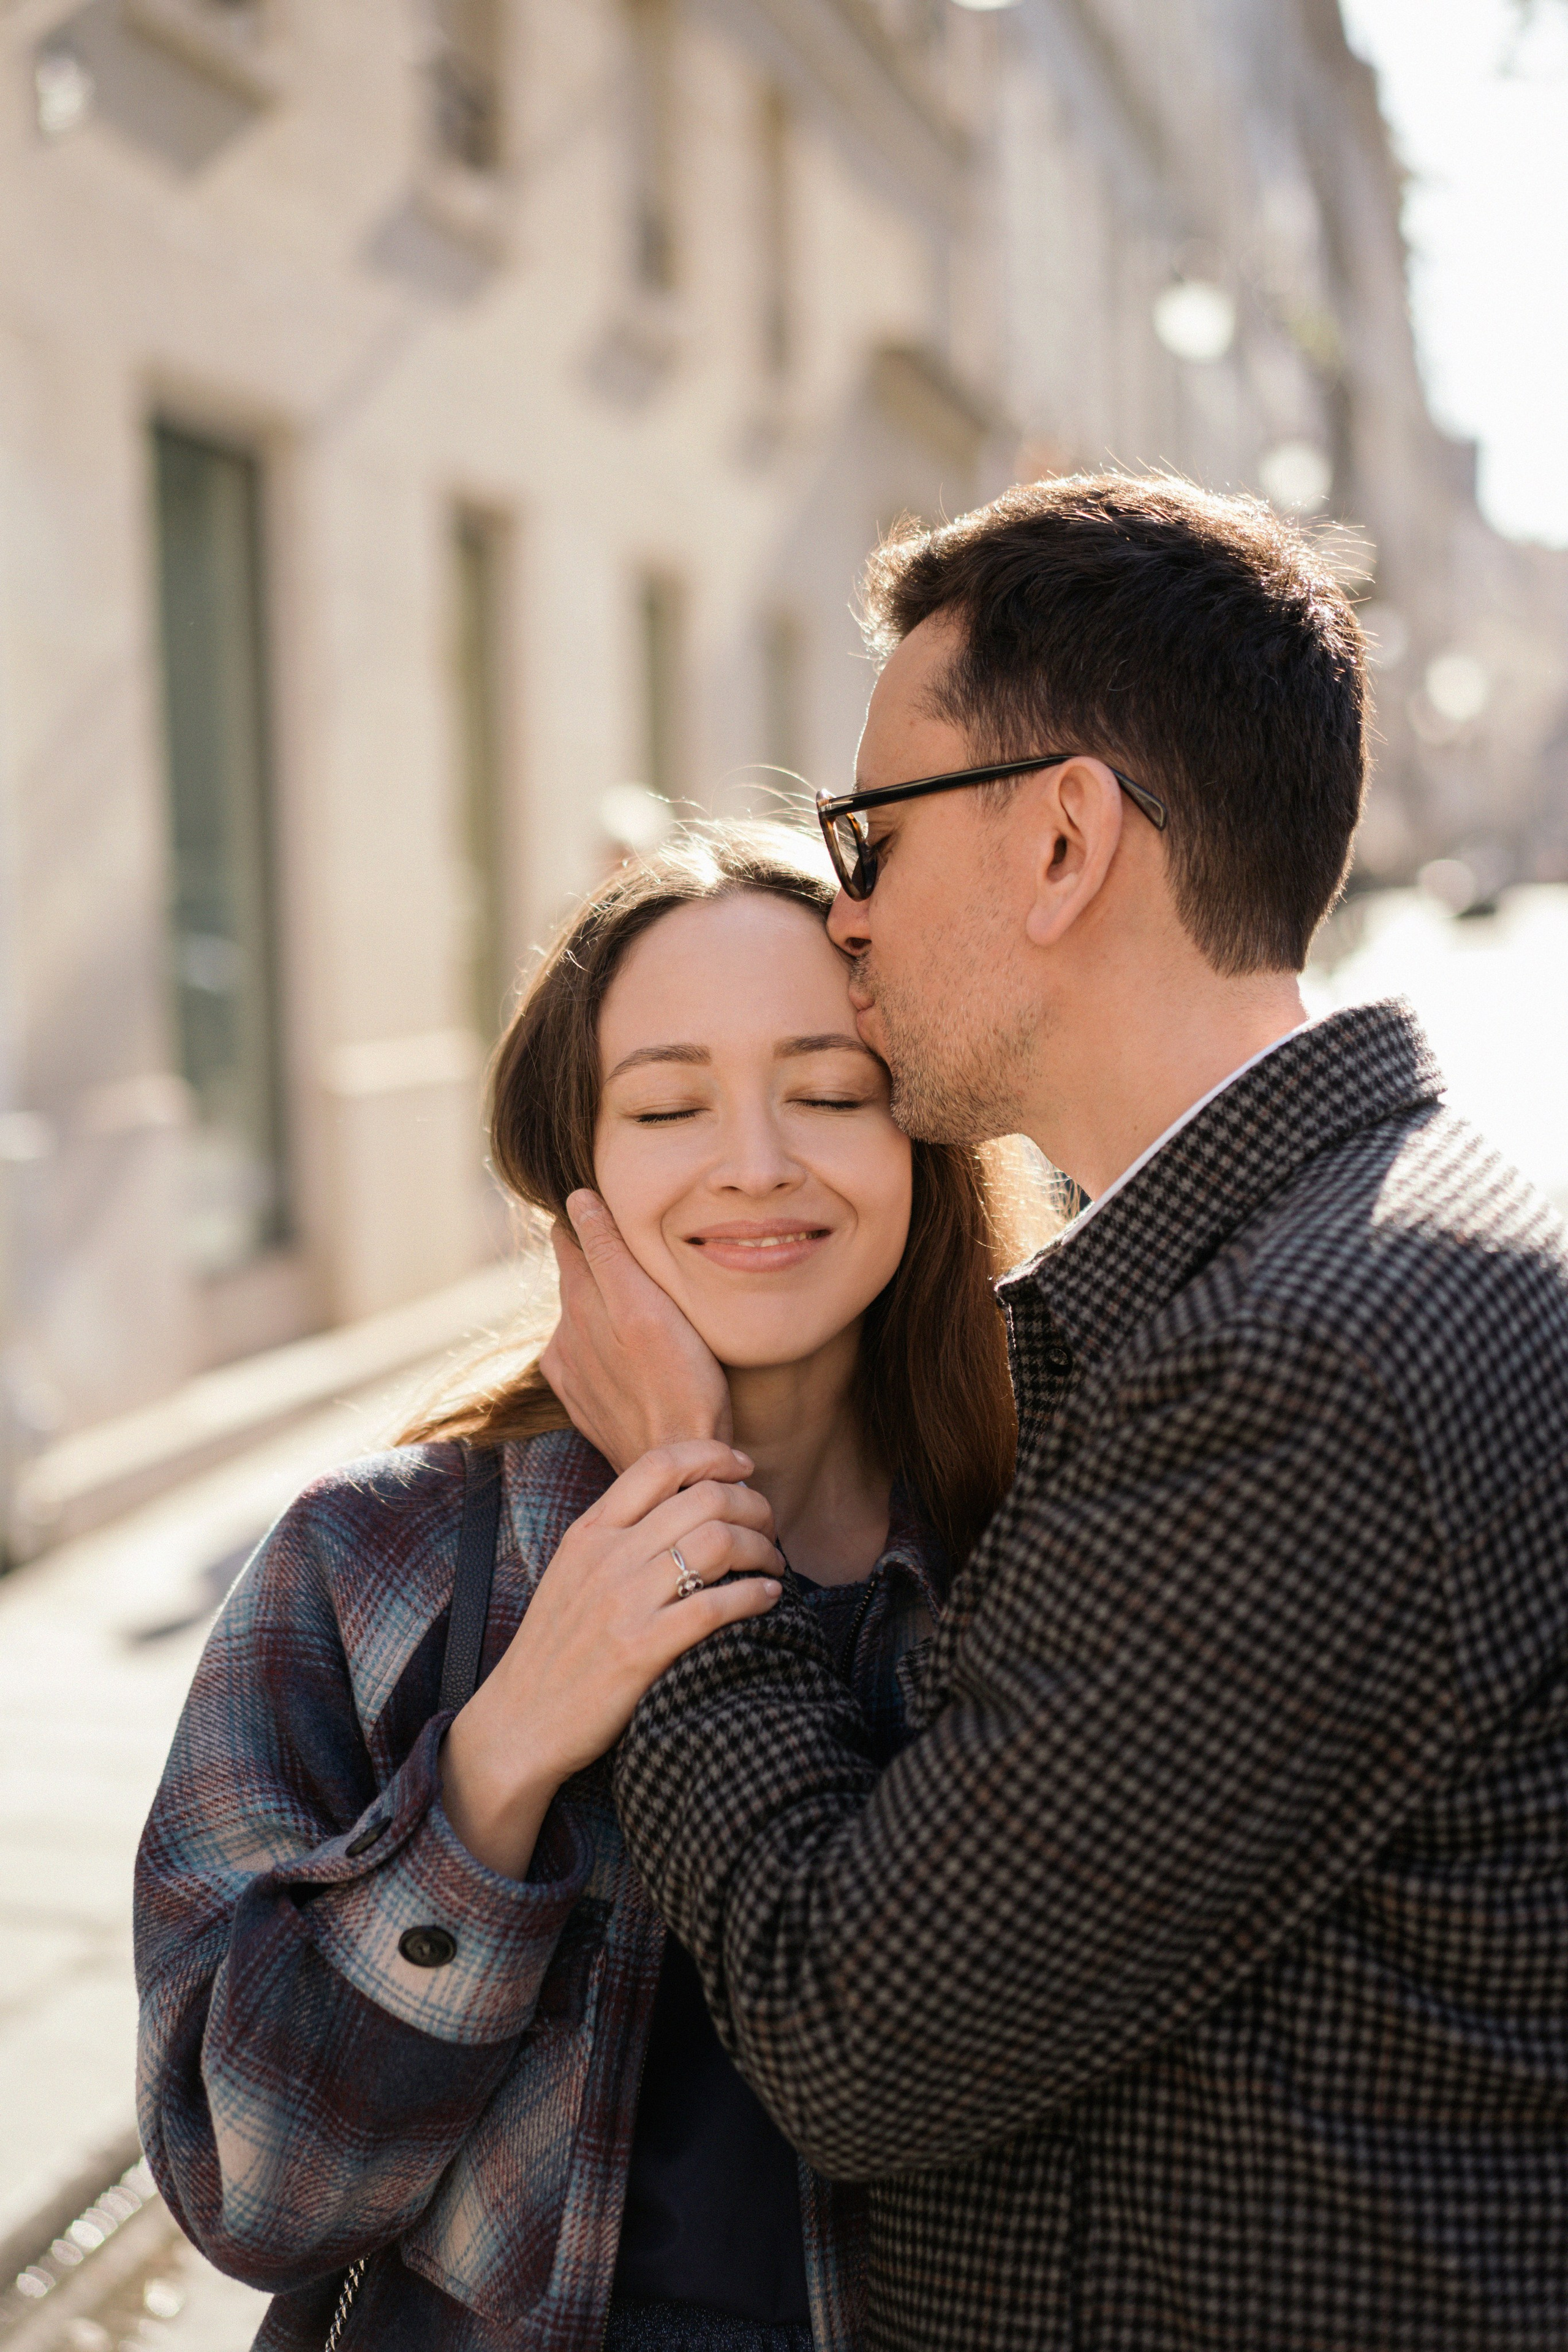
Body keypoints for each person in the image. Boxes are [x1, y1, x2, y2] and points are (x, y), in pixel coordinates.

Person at [543, 477, 1568, 2351]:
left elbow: (851, 2028)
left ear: (1063, 842)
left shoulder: (1298, 1367)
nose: (841, 915)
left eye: (870, 837)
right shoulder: (1328, 1257)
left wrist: (692, 1482)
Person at [134, 826, 1042, 2352]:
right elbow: (252, 2191)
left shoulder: (1034, 1556)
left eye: (828, 1093)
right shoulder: (371, 1563)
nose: (756, 1160)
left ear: (924, 1144)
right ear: (580, 1178)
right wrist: (495, 1766)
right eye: (668, 1104)